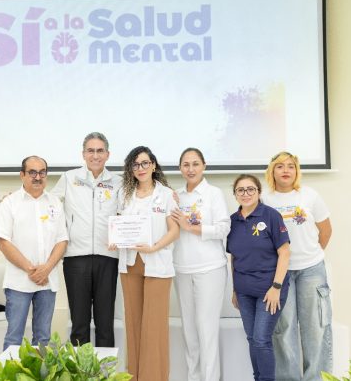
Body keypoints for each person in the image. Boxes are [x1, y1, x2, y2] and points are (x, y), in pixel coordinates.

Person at [263, 151, 333, 381]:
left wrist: (309, 255)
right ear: (272, 171)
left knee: (316, 327)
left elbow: (326, 231)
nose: (286, 170)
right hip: (279, 273)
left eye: (291, 166)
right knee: (283, 329)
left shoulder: (310, 195)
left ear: (297, 171)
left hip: (311, 270)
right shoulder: (264, 199)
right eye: (280, 166)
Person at [114, 146, 180, 381]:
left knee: (154, 327)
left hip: (157, 264)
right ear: (130, 169)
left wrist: (154, 247)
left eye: (144, 163)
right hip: (130, 264)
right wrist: (114, 239)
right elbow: (118, 224)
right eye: (135, 164)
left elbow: (174, 231)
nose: (140, 168)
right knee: (133, 325)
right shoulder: (124, 194)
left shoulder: (167, 195)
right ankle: (133, 377)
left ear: (153, 165)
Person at [50, 132, 121, 347]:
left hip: (108, 257)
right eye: (91, 150)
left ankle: (106, 369)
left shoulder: (118, 181)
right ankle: (80, 368)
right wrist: (15, 197)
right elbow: (48, 204)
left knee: (105, 323)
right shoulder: (69, 178)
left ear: (107, 154)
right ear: (83, 154)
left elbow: (132, 209)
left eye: (100, 151)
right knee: (79, 323)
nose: (95, 155)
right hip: (75, 258)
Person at [0, 156, 68, 349]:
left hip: (47, 282)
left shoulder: (55, 203)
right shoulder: (9, 203)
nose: (38, 177)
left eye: (42, 172)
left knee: (43, 339)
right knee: (14, 339)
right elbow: (3, 242)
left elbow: (62, 240)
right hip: (19, 282)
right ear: (22, 175)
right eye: (32, 172)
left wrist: (46, 269)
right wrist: (31, 270)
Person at [170, 148, 230, 381]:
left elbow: (224, 228)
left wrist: (191, 227)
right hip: (181, 268)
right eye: (186, 164)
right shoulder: (175, 196)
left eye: (195, 164)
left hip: (210, 268)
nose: (191, 169)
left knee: (207, 330)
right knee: (189, 331)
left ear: (204, 166)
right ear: (180, 168)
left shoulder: (214, 194)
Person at [227, 174, 290, 381]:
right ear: (235, 194)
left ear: (259, 192)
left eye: (250, 189)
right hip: (244, 291)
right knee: (252, 338)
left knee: (262, 339)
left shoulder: (271, 216)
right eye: (240, 190)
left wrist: (276, 287)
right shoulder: (232, 221)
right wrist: (235, 290)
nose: (245, 194)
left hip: (269, 289)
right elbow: (234, 258)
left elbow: (285, 252)